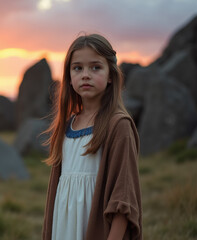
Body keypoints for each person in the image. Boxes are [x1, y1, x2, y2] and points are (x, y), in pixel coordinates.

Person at [42, 33, 142, 240]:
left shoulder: (118, 126)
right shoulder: (66, 126)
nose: (85, 75)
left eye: (95, 67)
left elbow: (123, 199)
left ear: (110, 76)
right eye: (78, 68)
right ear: (69, 77)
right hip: (64, 229)